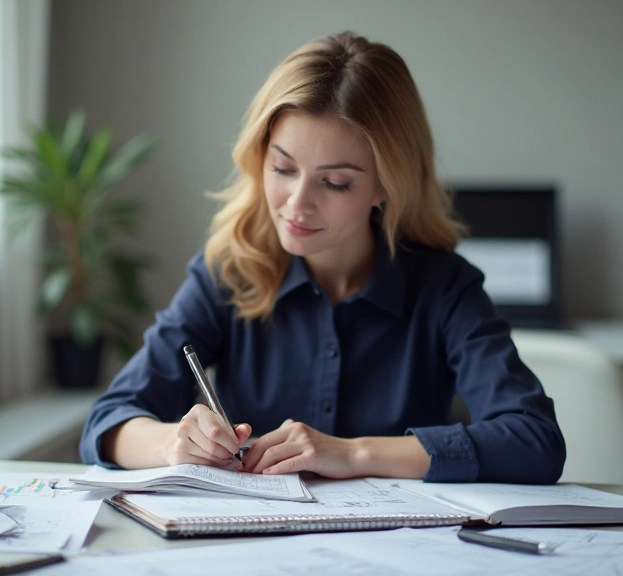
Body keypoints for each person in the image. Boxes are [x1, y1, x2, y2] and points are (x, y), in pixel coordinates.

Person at [79, 31, 565, 484]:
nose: (296, 203)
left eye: (335, 183)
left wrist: (354, 455)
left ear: (385, 186)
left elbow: (535, 440)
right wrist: (171, 443)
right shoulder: (228, 271)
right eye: (283, 168)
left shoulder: (444, 287)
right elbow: (108, 422)